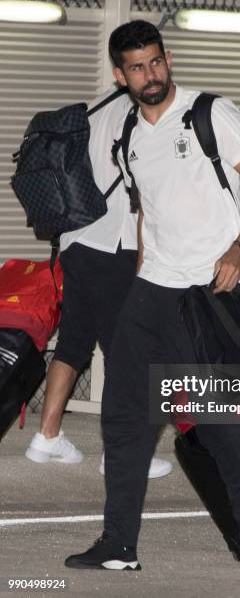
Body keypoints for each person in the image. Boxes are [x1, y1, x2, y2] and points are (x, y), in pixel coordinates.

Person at [64, 20, 240, 572]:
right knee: (121, 413)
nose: (151, 75)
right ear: (121, 77)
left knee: (212, 418)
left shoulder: (211, 113)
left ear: (167, 60)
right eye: (138, 67)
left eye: (157, 61)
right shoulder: (129, 137)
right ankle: (119, 543)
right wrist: (140, 278)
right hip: (154, 288)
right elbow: (149, 215)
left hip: (210, 288)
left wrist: (239, 249)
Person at [24, 86, 172, 480]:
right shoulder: (139, 114)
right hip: (113, 244)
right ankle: (120, 452)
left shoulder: (90, 109)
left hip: (74, 239)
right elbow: (143, 185)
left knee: (74, 340)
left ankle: (47, 436)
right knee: (128, 350)